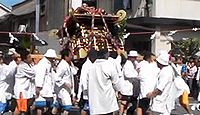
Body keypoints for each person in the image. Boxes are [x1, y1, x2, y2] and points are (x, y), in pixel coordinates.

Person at [88, 48, 121, 115]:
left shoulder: (91, 67)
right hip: (107, 99)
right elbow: (116, 82)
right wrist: (119, 91)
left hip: (95, 99)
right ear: (106, 55)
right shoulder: (109, 66)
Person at [53, 48, 78, 115]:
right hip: (62, 89)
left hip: (66, 89)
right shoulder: (62, 65)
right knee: (68, 107)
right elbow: (57, 78)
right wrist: (65, 83)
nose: (71, 56)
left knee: (57, 106)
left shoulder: (67, 64)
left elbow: (74, 72)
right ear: (66, 56)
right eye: (70, 55)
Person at [34, 49, 57, 115]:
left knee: (46, 106)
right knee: (40, 106)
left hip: (48, 88)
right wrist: (38, 87)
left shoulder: (49, 64)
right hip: (43, 88)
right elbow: (40, 76)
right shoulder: (43, 64)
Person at [13, 49, 35, 115]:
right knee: (20, 109)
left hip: (25, 90)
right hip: (21, 91)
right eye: (29, 57)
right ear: (25, 59)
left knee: (21, 108)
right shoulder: (23, 66)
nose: (31, 58)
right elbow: (33, 73)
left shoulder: (26, 65)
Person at [76, 48, 97, 115]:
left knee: (89, 108)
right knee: (85, 107)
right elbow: (83, 79)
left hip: (91, 90)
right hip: (86, 90)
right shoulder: (86, 65)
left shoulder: (92, 64)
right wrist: (86, 89)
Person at [119, 50, 139, 115]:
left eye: (135, 57)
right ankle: (121, 113)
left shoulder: (133, 63)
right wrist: (136, 74)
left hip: (130, 86)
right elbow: (127, 74)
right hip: (126, 86)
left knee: (127, 102)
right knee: (124, 102)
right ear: (130, 57)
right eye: (133, 57)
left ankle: (124, 113)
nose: (135, 58)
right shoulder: (127, 64)